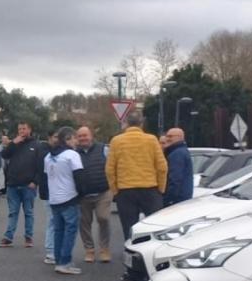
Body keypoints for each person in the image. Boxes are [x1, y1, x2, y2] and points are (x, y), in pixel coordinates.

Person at [106, 107, 167, 248]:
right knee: (155, 227)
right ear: (142, 123)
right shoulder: (151, 140)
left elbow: (110, 169)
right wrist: (161, 189)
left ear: (126, 123)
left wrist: (115, 190)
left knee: (129, 229)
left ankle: (132, 260)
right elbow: (162, 167)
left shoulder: (116, 141)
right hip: (150, 189)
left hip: (125, 190)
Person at [43, 127, 85, 275]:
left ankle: (58, 259)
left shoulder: (48, 156)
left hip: (54, 198)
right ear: (67, 139)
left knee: (58, 230)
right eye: (74, 138)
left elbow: (48, 176)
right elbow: (79, 177)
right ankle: (65, 261)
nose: (77, 141)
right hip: (69, 197)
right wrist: (81, 194)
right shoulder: (72, 155)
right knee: (70, 230)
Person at [0, 123, 43, 248]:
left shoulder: (36, 145)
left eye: (24, 129)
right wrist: (13, 143)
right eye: (19, 129)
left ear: (29, 129)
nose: (21, 131)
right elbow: (4, 155)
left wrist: (35, 181)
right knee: (13, 212)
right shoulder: (14, 144)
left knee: (28, 213)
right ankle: (8, 237)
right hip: (13, 184)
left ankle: (29, 238)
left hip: (28, 185)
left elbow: (41, 165)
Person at [73, 126, 114, 264]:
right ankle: (89, 250)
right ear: (77, 138)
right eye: (80, 136)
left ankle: (104, 249)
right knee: (84, 223)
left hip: (103, 191)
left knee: (103, 218)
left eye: (85, 135)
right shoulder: (73, 153)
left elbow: (113, 166)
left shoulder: (104, 149)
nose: (83, 138)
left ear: (91, 136)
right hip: (82, 195)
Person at [162, 127, 195, 207]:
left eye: (170, 136)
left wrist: (169, 199)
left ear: (180, 137)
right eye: (167, 136)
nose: (167, 139)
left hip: (177, 200)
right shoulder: (180, 151)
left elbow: (175, 178)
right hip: (182, 198)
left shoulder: (177, 154)